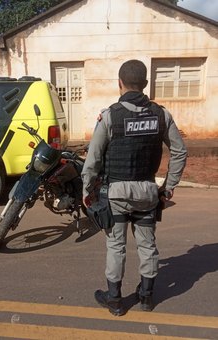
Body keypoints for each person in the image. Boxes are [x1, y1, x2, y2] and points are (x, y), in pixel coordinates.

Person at [81, 59, 187, 316]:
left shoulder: (109, 116)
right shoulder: (162, 114)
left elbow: (93, 158)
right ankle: (147, 298)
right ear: (146, 84)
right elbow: (180, 152)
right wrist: (169, 186)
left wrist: (86, 190)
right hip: (147, 193)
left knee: (116, 246)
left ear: (119, 84)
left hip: (116, 193)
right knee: (147, 245)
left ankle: (115, 300)